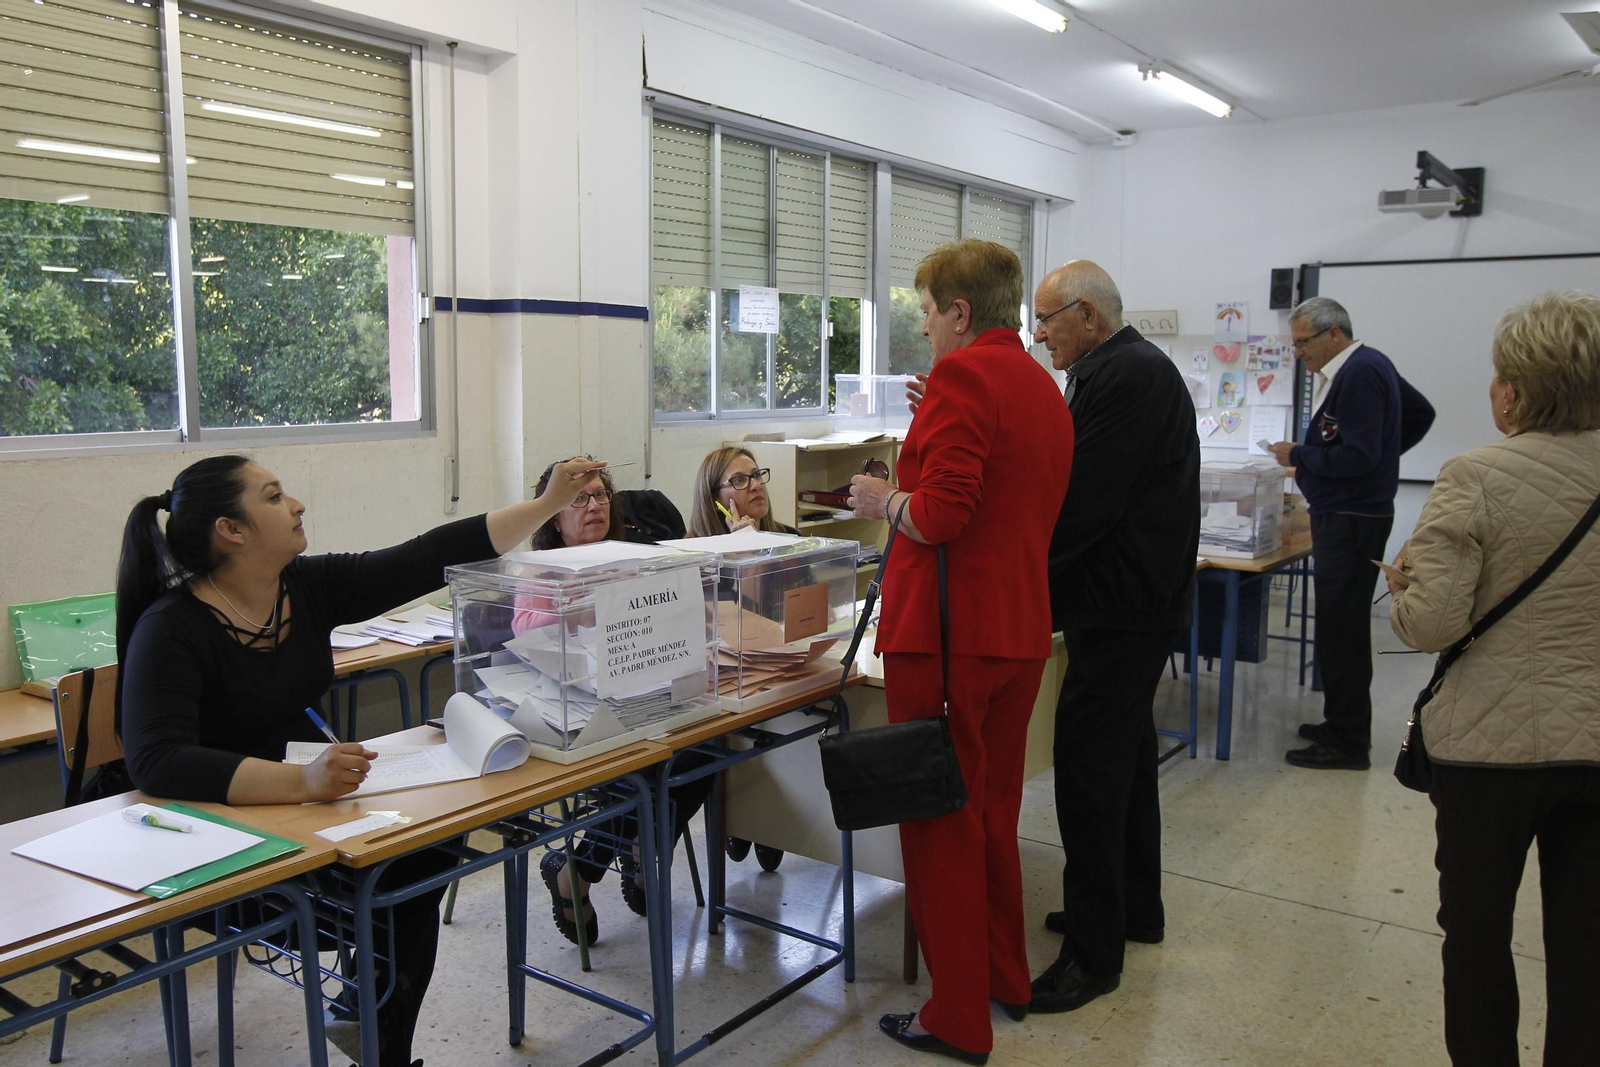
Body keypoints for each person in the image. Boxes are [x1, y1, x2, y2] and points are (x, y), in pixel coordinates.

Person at [116, 452, 605, 1067]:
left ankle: (373, 1031)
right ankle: (374, 1029)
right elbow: (158, 761)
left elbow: (425, 555)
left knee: (426, 845)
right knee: (394, 877)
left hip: (308, 809)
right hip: (222, 836)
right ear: (230, 531)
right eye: (272, 497)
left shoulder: (303, 587)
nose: (295, 504)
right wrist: (301, 780)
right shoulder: (172, 627)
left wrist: (547, 504)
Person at [848, 238, 1073, 1064]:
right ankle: (1005, 978)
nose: (925, 328)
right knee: (991, 814)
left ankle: (956, 1017)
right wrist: (932, 412)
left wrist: (882, 496)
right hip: (1016, 635)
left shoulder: (962, 378)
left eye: (927, 313)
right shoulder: (1037, 384)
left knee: (940, 825)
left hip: (948, 640)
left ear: (959, 311)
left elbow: (940, 515)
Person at [1387, 290, 1600, 1067]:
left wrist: (1406, 588)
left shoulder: (1474, 474)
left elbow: (1434, 624)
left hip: (1489, 751)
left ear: (1510, 389)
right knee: (1586, 945)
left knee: (1477, 938)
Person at [1026, 260, 1200, 1015]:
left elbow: (1081, 503)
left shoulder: (1126, 377)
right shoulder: (1115, 370)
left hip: (1122, 606)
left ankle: (1092, 955)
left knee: (1089, 772)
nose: (1038, 337)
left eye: (1048, 321)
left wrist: (1017, 569)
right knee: (1124, 762)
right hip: (1131, 603)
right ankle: (1135, 907)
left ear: (1089, 316)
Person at [1265, 296, 1435, 769]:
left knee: (1342, 629)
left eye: (1303, 342)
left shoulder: (1358, 372)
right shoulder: (1368, 364)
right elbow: (1420, 414)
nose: (1298, 352)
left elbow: (1358, 457)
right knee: (1342, 626)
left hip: (1350, 516)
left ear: (1333, 334)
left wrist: (1299, 455)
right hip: (1355, 512)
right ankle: (1342, 721)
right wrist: (1385, 452)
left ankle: (1347, 741)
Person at [512, 458, 655, 945]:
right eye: (579, 498)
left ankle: (623, 853)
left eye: (600, 496)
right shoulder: (539, 569)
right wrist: (571, 602)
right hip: (567, 699)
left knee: (698, 757)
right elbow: (524, 631)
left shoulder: (628, 555)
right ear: (553, 514)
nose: (594, 506)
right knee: (642, 769)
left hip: (633, 688)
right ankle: (603, 862)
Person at [685, 445, 792, 869]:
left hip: (781, 673)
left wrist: (760, 557)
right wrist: (737, 560)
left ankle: (767, 821)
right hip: (724, 686)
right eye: (740, 480)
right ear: (714, 497)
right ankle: (743, 819)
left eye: (758, 474)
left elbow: (795, 619)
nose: (756, 485)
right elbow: (723, 630)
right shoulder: (694, 554)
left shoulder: (788, 538)